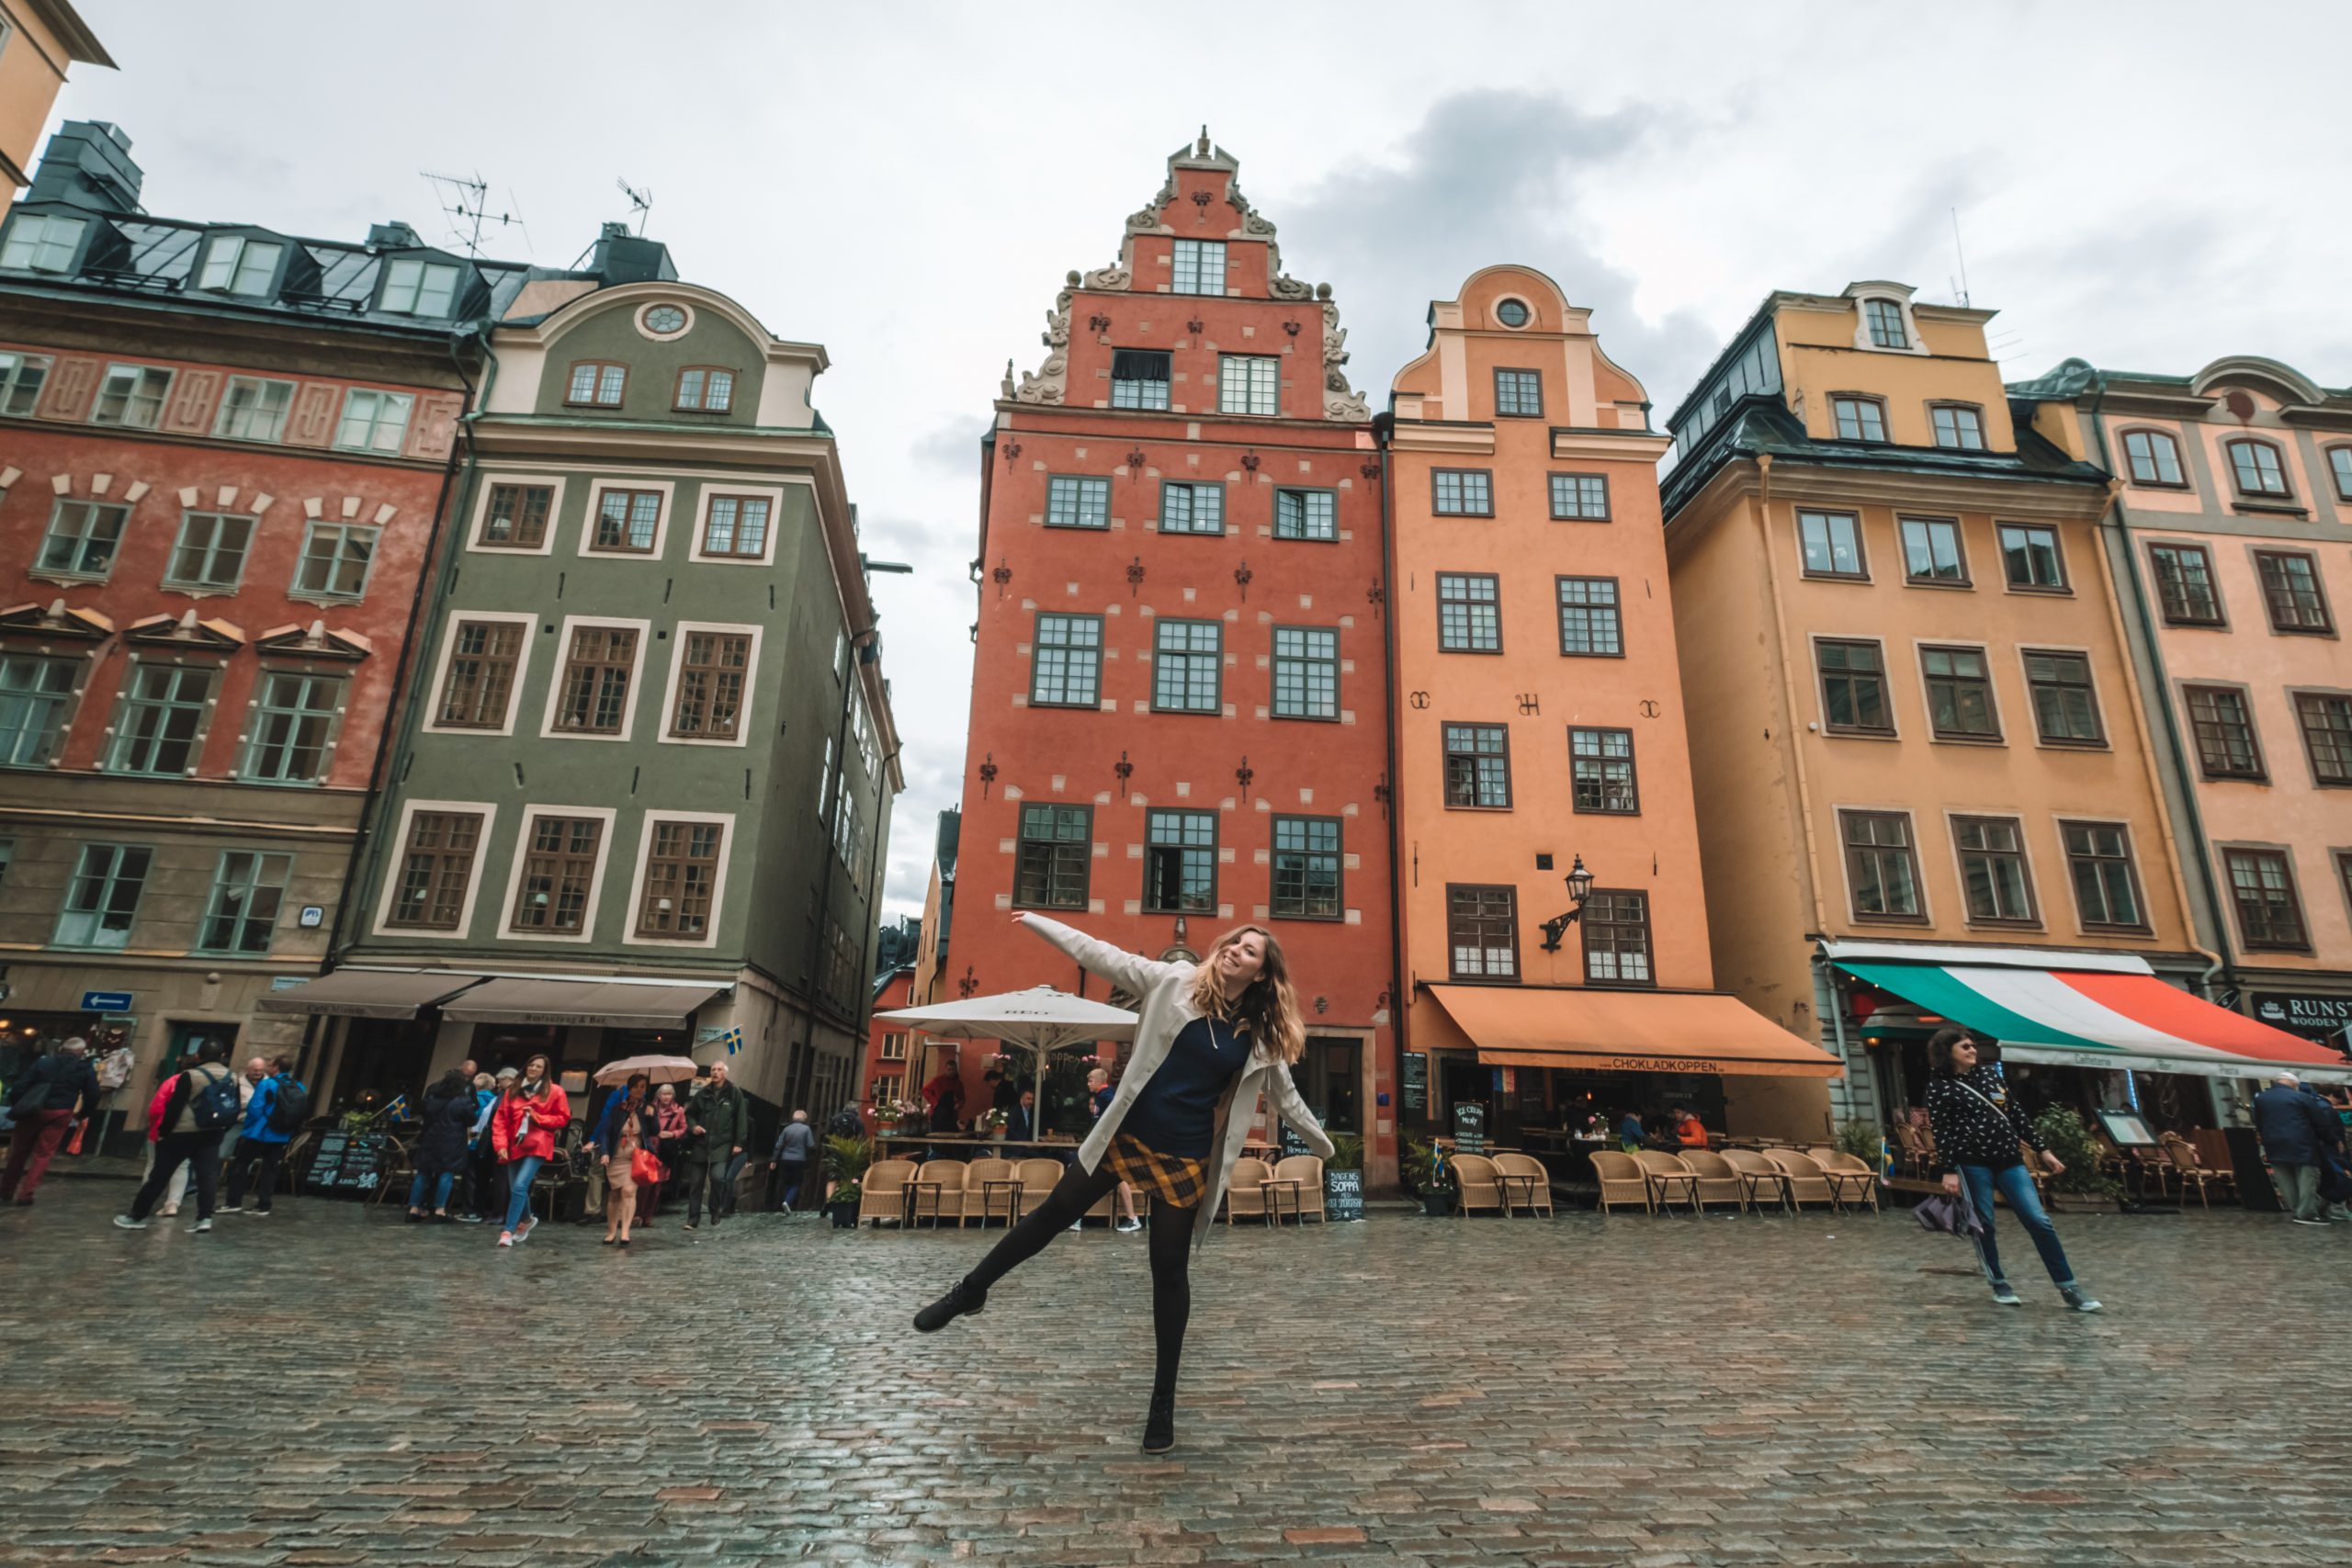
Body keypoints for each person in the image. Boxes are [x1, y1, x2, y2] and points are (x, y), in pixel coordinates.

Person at [914, 913, 1334, 1456]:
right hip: (1125, 1136)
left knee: (1168, 1273)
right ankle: (969, 1292)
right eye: (1235, 942)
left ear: (1260, 973)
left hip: (1184, 1156)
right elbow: (1100, 954)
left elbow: (1287, 1098)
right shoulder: (1171, 982)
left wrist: (1323, 1145)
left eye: (1250, 951)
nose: (1235, 950)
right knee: (1050, 1216)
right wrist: (1039, 923)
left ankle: (1163, 1402)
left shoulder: (1257, 1038)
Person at [1926, 1030, 2099, 1312]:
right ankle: (1999, 1283)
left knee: (2039, 1220)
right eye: (1965, 1046)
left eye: (1973, 1045)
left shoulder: (1990, 1076)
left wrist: (2043, 1150)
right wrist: (1948, 1169)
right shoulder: (1940, 1087)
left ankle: (2069, 1287)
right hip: (1972, 1163)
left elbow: (2016, 1114)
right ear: (1948, 1052)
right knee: (1985, 1223)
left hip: (2009, 1159)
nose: (1972, 1050)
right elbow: (1942, 1130)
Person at [116, 1041, 241, 1233]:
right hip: (212, 1133)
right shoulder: (232, 1077)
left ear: (198, 1056)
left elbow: (174, 1107)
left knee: (160, 1174)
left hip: (183, 1132)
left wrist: (164, 1132)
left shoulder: (189, 1076)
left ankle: (137, 1215)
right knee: (207, 1176)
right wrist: (223, 1129)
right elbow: (235, 1106)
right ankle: (204, 1217)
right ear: (223, 1055)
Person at [2, 1037, 101, 1207]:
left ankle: (5, 1191)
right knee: (43, 1155)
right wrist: (83, 1114)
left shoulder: (44, 1063)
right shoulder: (84, 1068)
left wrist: (19, 1105)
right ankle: (26, 1194)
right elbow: (93, 1094)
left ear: (63, 1048)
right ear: (81, 1051)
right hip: (60, 1113)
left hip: (32, 1111)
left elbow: (20, 1086)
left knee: (19, 1152)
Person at [492, 1055, 570, 1247]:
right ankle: (526, 1220)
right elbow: (500, 1120)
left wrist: (538, 1118)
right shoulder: (514, 1090)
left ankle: (508, 1231)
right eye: (531, 1065)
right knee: (516, 1188)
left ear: (545, 1071)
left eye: (538, 1066)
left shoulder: (555, 1091)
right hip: (514, 1144)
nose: (533, 1069)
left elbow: (563, 1118)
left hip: (538, 1143)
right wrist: (500, 1146)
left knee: (519, 1186)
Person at [2253, 1070, 2343, 1225]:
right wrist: (2332, 1141)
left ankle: (2297, 1211)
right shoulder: (2302, 1097)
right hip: (2302, 1144)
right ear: (2295, 1084)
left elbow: (2259, 1122)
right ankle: (2307, 1213)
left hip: (2274, 1145)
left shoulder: (2261, 1098)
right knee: (2307, 1178)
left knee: (2286, 1180)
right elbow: (2320, 1123)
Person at [222, 1056, 306, 1216]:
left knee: (240, 1164)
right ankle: (264, 1205)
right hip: (281, 1134)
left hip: (260, 1132)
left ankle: (233, 1202)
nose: (268, 1067)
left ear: (276, 1067)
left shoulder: (267, 1084)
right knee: (270, 1169)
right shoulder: (299, 1086)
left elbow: (255, 1108)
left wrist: (249, 1128)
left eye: (270, 1065)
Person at [682, 1060, 749, 1232]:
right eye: (713, 1069)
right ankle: (693, 1218)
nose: (715, 1072)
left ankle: (714, 1211)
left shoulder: (734, 1094)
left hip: (722, 1143)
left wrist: (739, 1143)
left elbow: (741, 1119)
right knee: (696, 1182)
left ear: (724, 1073)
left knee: (718, 1178)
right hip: (701, 1143)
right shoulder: (703, 1093)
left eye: (719, 1070)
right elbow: (690, 1114)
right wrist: (693, 1126)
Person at [406, 1068, 478, 1222]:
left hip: (430, 1139)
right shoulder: (463, 1101)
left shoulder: (432, 1099)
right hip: (452, 1141)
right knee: (446, 1174)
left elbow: (424, 1114)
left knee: (423, 1174)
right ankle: (439, 1210)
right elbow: (472, 1120)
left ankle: (413, 1208)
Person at [593, 1072, 655, 1246]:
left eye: (643, 1087)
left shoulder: (646, 1109)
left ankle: (625, 1231)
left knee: (629, 1191)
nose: (639, 1090)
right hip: (616, 1155)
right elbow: (605, 1132)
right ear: (630, 1088)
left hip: (634, 1157)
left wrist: (652, 1114)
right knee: (614, 1195)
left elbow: (654, 1131)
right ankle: (612, 1230)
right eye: (636, 1086)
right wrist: (604, 1151)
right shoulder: (617, 1109)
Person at [1087, 1065, 1144, 1234]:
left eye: (1090, 1081)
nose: (1088, 1084)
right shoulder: (1100, 1096)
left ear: (1098, 1081)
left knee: (1119, 1178)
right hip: (1102, 1143)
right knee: (1115, 1178)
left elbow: (1116, 1113)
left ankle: (1133, 1218)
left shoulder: (1107, 1095)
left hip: (1107, 1143)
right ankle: (1132, 1218)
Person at [462, 1069, 512, 1224]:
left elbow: (484, 1117)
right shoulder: (497, 1097)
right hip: (490, 1139)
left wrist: (475, 1133)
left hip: (496, 1139)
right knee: (485, 1175)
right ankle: (483, 1210)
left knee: (496, 1176)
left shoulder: (506, 1097)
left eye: (501, 1080)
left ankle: (491, 1211)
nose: (498, 1083)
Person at [642, 1081, 688, 1219]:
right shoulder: (650, 1108)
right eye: (664, 1094)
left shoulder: (678, 1111)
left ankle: (648, 1215)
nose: (667, 1097)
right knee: (644, 1182)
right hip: (649, 1148)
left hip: (664, 1150)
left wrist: (672, 1134)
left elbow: (684, 1128)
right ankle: (638, 1213)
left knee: (657, 1184)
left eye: (669, 1094)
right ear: (659, 1095)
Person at [770, 1108, 819, 1213]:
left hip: (785, 1159)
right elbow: (810, 1145)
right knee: (796, 1183)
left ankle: (786, 1202)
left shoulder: (786, 1129)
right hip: (799, 1160)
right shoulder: (806, 1129)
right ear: (804, 1119)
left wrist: (774, 1160)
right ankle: (787, 1201)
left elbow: (778, 1145)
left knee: (786, 1182)